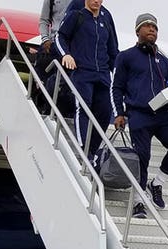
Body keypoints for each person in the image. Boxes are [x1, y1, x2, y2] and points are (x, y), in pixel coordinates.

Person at [111, 13, 168, 218]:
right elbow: (116, 87)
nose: (152, 29)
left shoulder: (164, 62)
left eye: (154, 27)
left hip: (163, 113)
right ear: (138, 31)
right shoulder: (126, 56)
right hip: (138, 114)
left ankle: (157, 184)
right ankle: (138, 203)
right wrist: (119, 113)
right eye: (147, 26)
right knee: (142, 157)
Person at [55, 0, 118, 164]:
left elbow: (112, 48)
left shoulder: (106, 18)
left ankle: (92, 150)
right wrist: (66, 55)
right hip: (82, 71)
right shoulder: (77, 15)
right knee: (83, 108)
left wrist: (118, 74)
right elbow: (60, 36)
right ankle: (84, 151)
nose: (96, 0)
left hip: (103, 74)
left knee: (105, 113)